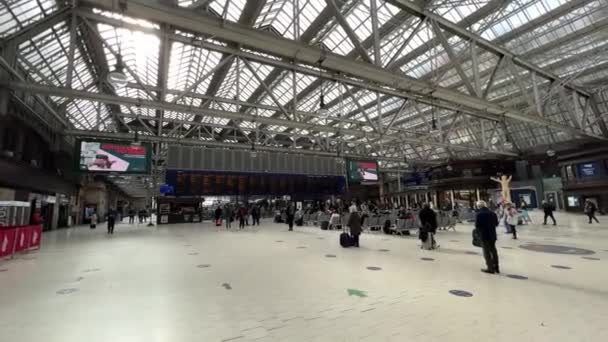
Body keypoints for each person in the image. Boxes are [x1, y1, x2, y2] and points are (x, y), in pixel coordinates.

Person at [475, 201, 500, 274]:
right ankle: (496, 267)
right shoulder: (493, 213)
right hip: (493, 234)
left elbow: (477, 225)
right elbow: (496, 223)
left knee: (486, 252)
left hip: (484, 235)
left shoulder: (479, 214)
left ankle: (490, 268)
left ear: (479, 206)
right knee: (493, 250)